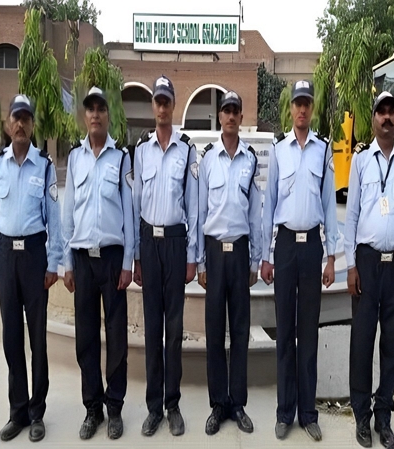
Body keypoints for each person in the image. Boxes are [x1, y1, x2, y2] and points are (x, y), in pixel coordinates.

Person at [261, 80, 338, 441]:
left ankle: (308, 413)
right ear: (290, 109)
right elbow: (269, 204)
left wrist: (332, 256)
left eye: (307, 103)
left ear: (312, 108)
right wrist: (266, 255)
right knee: (285, 334)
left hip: (312, 251)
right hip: (287, 246)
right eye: (297, 104)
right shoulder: (279, 150)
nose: (302, 110)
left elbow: (328, 207)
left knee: (307, 334)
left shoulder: (323, 150)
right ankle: (284, 412)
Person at [0, 94, 62, 442]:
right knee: (11, 337)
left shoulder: (44, 166)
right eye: (16, 118)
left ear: (32, 125)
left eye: (26, 118)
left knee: (37, 339)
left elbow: (55, 221)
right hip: (5, 255)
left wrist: (53, 263)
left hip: (33, 257)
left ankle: (37, 411)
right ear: (8, 123)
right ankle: (17, 411)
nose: (20, 124)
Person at [344, 91, 394, 449]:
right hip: (368, 262)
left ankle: (383, 413)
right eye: (381, 112)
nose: (387, 118)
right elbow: (353, 215)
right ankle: (361, 414)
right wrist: (350, 264)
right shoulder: (360, 162)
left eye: (392, 112)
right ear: (373, 119)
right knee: (362, 341)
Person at [62, 86, 134, 440]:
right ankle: (93, 408)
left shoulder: (121, 158)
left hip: (111, 259)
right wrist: (67, 262)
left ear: (108, 114)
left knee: (116, 337)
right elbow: (67, 212)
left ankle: (115, 406)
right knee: (86, 338)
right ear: (85, 115)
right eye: (89, 108)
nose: (94, 114)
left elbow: (130, 215)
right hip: (82, 259)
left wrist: (128, 262)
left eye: (100, 108)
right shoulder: (75, 158)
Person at [132, 75, 198, 437]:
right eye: (157, 101)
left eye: (166, 101)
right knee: (152, 329)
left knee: (174, 330)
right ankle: (153, 407)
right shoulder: (140, 150)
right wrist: (137, 257)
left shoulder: (187, 150)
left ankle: (172, 404)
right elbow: (135, 203)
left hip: (174, 243)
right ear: (153, 106)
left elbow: (193, 205)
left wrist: (191, 257)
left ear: (173, 106)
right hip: (148, 242)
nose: (161, 107)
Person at [197, 91, 261, 435]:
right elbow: (199, 211)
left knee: (239, 332)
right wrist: (199, 261)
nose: (232, 116)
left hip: (239, 253)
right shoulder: (208, 160)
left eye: (236, 110)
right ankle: (217, 404)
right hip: (213, 253)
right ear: (219, 117)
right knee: (213, 332)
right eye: (226, 111)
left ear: (240, 115)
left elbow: (255, 211)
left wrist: (255, 260)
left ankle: (237, 403)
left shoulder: (250, 160)